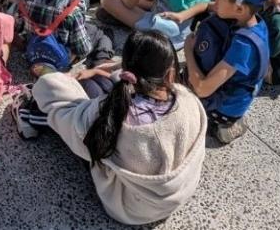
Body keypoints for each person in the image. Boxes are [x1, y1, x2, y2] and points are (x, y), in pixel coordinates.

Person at [32, 31, 207, 226]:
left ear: (127, 69)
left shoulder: (117, 119)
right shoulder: (189, 101)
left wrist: (50, 76)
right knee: (99, 88)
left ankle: (30, 113)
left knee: (87, 95)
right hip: (177, 195)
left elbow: (67, 117)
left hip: (127, 208)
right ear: (170, 73)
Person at [184, 0, 272, 144]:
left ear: (240, 9)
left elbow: (202, 89)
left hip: (222, 109)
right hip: (224, 87)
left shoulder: (244, 46)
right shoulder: (251, 20)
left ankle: (224, 127)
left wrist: (188, 52)